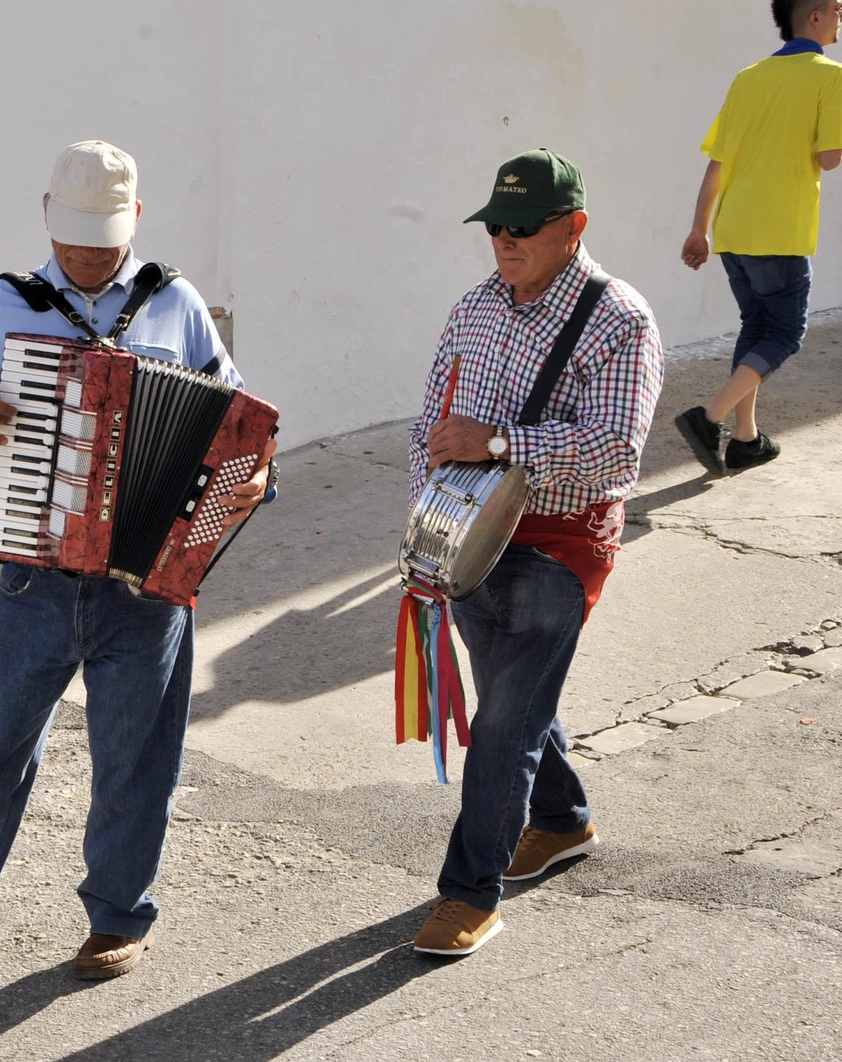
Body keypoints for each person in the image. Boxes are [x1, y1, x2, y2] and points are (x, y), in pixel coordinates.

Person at [0, 141, 277, 980]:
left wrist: (258, 472)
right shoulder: (3, 303)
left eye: (104, 237)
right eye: (73, 237)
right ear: (48, 219)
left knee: (138, 755)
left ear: (135, 223)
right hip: (36, 577)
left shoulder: (177, 305)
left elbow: (239, 418)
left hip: (148, 587)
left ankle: (120, 918)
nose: (86, 255)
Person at [407, 150, 663, 956]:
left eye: (523, 227)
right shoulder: (474, 306)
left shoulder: (621, 319)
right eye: (495, 226)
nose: (504, 241)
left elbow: (618, 454)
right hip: (467, 538)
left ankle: (467, 894)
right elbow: (430, 422)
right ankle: (560, 821)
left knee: (505, 723)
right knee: (515, 704)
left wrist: (497, 443)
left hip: (560, 543)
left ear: (573, 227)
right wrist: (430, 506)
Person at [676, 0, 842, 474]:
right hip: (780, 231)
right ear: (816, 15)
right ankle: (708, 416)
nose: (840, 18)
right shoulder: (830, 77)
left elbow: (718, 161)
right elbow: (830, 157)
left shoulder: (747, 78)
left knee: (756, 328)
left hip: (734, 231)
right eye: (838, 9)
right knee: (786, 333)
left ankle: (746, 439)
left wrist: (698, 229)